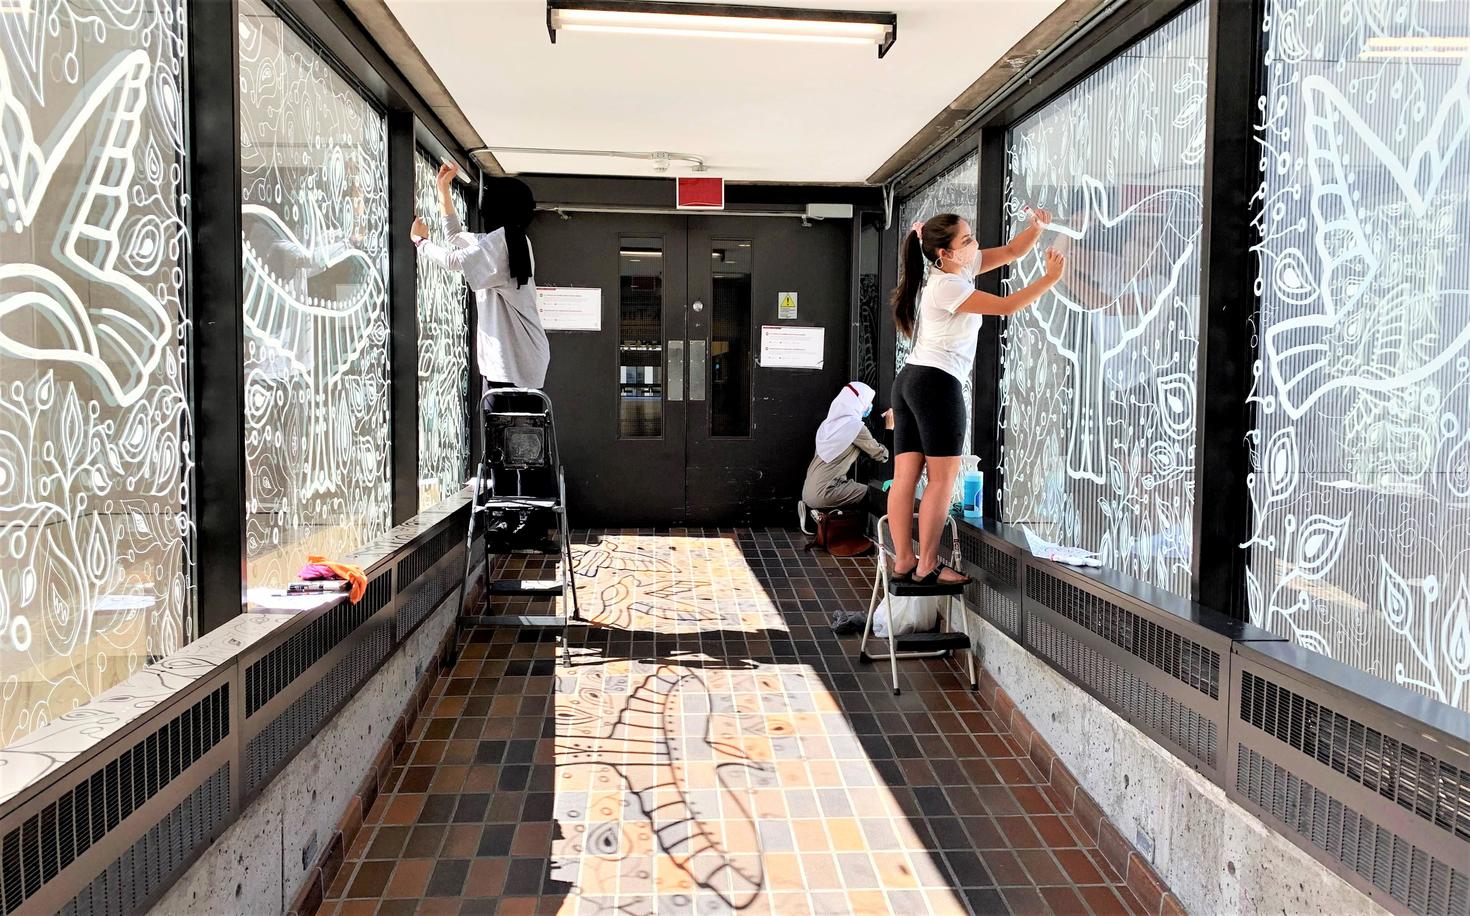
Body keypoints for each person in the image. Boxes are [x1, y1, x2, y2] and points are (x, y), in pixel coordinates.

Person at [888, 210, 1066, 585]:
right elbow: (1005, 307)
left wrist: (1038, 227)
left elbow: (1014, 251)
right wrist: (1049, 279)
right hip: (936, 384)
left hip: (911, 380)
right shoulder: (947, 286)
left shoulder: (955, 271)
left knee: (906, 476)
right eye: (966, 240)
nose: (974, 243)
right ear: (945, 253)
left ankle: (904, 560)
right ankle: (928, 565)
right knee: (940, 480)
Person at [411, 164, 549, 392]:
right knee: (516, 426)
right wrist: (443, 189)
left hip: (511, 364)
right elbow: (454, 236)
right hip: (519, 361)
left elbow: (452, 261)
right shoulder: (511, 239)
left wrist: (420, 242)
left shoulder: (503, 242)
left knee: (504, 425)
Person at [802, 382, 892, 519]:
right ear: (859, 403)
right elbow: (883, 456)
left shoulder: (827, 424)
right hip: (827, 492)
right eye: (868, 402)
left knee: (853, 487)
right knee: (874, 493)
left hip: (808, 492)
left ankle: (818, 517)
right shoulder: (855, 427)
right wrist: (889, 427)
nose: (870, 407)